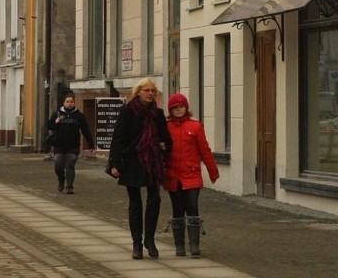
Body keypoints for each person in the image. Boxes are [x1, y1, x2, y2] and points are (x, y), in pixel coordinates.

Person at [109, 78, 172, 260]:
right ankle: (137, 243)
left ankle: (150, 240)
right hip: (132, 161)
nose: (151, 93)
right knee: (135, 204)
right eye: (147, 90)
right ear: (138, 92)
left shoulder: (158, 113)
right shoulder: (128, 111)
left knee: (154, 200)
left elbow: (166, 138)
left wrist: (163, 146)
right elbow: (118, 138)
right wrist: (114, 162)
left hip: (152, 162)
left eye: (153, 91)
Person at [164, 93, 219, 257]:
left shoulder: (195, 126)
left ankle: (194, 244)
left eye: (181, 107)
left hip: (192, 174)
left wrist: (212, 171)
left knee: (192, 206)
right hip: (173, 175)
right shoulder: (167, 127)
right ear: (171, 110)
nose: (178, 110)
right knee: (177, 209)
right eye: (175, 108)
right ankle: (179, 245)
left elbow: (205, 151)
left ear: (186, 108)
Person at [47, 91, 95, 194]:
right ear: (64, 103)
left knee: (70, 164)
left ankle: (69, 186)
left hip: (73, 146)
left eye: (71, 102)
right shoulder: (57, 114)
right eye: (67, 102)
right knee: (58, 164)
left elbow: (86, 130)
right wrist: (55, 122)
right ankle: (61, 179)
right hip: (59, 145)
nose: (69, 103)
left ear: (74, 103)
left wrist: (91, 144)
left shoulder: (79, 116)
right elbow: (49, 126)